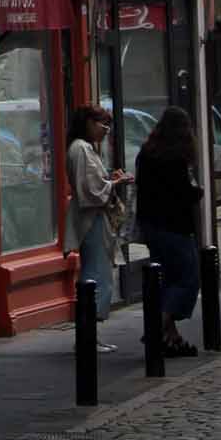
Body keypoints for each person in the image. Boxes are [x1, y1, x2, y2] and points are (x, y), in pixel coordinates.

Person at [133, 105, 204, 356]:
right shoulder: (176, 158)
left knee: (166, 279)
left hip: (152, 227)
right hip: (175, 226)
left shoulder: (146, 153)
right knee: (187, 278)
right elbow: (183, 193)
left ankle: (170, 338)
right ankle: (156, 326)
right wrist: (197, 193)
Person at [64, 104, 131, 349]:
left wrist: (110, 181)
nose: (106, 131)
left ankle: (89, 336)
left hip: (93, 220)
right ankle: (86, 338)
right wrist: (115, 183)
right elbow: (90, 190)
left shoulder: (84, 148)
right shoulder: (81, 149)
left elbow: (92, 183)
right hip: (92, 220)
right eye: (103, 125)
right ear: (89, 123)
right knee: (96, 276)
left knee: (97, 274)